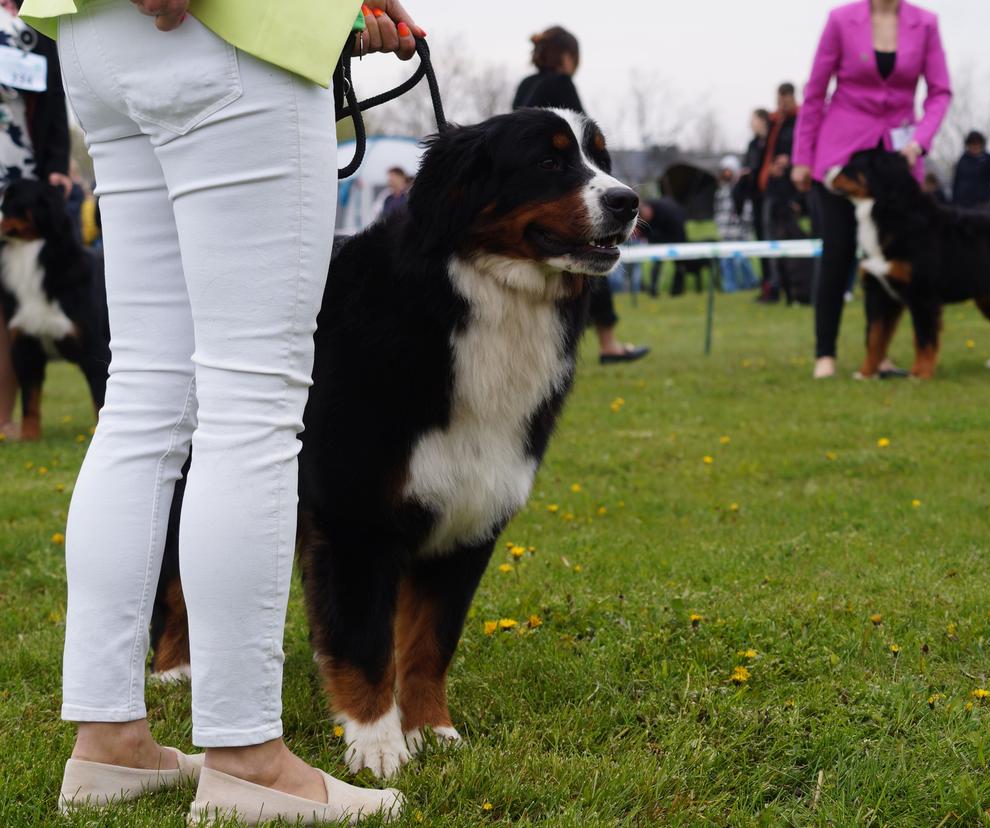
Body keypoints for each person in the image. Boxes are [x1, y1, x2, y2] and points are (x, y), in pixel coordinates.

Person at [17, 0, 424, 821]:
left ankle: (110, 745)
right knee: (251, 402)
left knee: (142, 396)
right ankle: (247, 763)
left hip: (97, 35)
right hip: (225, 31)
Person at [792, 0, 952, 380]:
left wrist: (921, 141)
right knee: (839, 252)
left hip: (897, 160)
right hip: (842, 153)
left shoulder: (925, 23)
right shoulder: (840, 19)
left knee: (889, 259)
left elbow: (940, 92)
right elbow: (815, 92)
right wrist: (802, 156)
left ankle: (877, 355)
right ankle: (825, 354)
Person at [513, 26, 648, 365]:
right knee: (595, 254)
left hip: (530, 194)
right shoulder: (561, 84)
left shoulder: (525, 86)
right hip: (569, 195)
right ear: (570, 57)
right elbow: (583, 145)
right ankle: (609, 343)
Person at [0, 0, 70, 440]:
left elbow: (48, 97)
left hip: (14, 176)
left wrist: (57, 164)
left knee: (9, 304)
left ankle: (5, 417)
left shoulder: (27, 24)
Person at [756, 83, 801, 304]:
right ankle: (773, 287)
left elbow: (803, 149)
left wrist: (790, 161)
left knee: (790, 242)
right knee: (770, 242)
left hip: (790, 192)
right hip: (771, 190)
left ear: (793, 97)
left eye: (785, 99)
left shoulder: (799, 121)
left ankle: (794, 289)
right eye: (779, 99)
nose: (781, 103)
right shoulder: (775, 123)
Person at [714, 155, 757, 292]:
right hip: (725, 232)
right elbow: (718, 211)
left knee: (742, 260)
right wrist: (720, 226)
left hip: (740, 231)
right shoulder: (720, 192)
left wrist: (744, 223)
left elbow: (747, 209)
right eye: (724, 170)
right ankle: (730, 287)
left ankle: (750, 283)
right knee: (726, 261)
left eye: (729, 170)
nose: (726, 173)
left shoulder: (741, 189)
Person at [740, 108, 771, 290]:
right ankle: (766, 284)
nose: (751, 124)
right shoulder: (753, 144)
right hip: (755, 200)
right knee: (762, 243)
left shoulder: (770, 143)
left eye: (754, 120)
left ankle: (775, 284)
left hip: (769, 199)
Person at [638, 196, 689, 297]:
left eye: (647, 215)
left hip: (676, 235)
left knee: (679, 264)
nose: (647, 217)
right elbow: (645, 232)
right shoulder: (642, 217)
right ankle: (653, 291)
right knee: (657, 263)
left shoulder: (668, 210)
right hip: (659, 239)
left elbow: (678, 229)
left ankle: (677, 291)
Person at [952, 131, 990, 209]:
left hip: (983, 205)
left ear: (982, 144)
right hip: (962, 205)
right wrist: (953, 202)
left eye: (978, 143)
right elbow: (956, 181)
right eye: (972, 143)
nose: (975, 146)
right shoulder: (963, 159)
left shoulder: (988, 158)